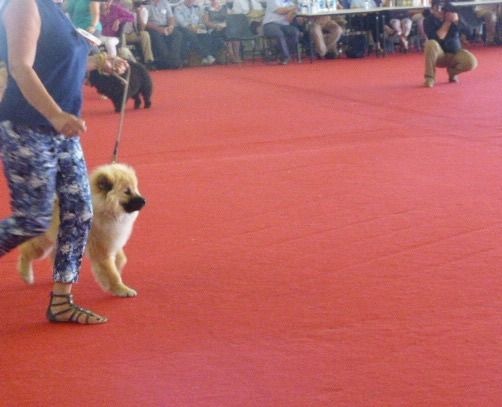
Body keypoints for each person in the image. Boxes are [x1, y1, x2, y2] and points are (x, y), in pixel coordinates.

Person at [0, 0, 127, 324]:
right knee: (33, 220)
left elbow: (57, 64)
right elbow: (21, 67)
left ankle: (61, 301)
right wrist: (55, 114)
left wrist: (99, 63)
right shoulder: (24, 5)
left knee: (79, 213)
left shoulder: (56, 7)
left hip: (62, 132)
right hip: (26, 127)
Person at [422, 0, 477, 88]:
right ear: (432, 10)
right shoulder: (428, 21)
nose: (439, 11)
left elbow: (470, 34)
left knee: (471, 62)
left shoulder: (454, 16)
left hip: (455, 53)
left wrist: (458, 21)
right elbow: (437, 39)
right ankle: (430, 78)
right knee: (430, 43)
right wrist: (447, 23)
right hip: (438, 56)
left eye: (441, 9)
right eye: (435, 9)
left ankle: (452, 72)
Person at [174, 0, 218, 65]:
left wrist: (200, 27)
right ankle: (207, 55)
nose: (191, 1)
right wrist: (192, 28)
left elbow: (200, 21)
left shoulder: (196, 8)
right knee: (191, 35)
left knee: (206, 35)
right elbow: (182, 23)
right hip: (183, 30)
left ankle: (205, 58)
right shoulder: (178, 8)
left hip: (196, 29)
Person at [145, 0, 184, 69]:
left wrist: (171, 27)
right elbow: (145, 22)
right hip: (153, 27)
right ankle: (165, 62)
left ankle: (174, 60)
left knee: (177, 34)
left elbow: (170, 17)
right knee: (156, 37)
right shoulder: (146, 4)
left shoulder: (164, 3)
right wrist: (158, 29)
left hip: (166, 26)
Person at [262, 0, 299, 65]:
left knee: (294, 32)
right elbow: (280, 11)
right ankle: (285, 57)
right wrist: (292, 8)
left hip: (284, 25)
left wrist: (292, 12)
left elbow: (288, 20)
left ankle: (286, 54)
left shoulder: (289, 2)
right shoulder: (272, 1)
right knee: (279, 34)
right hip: (270, 24)